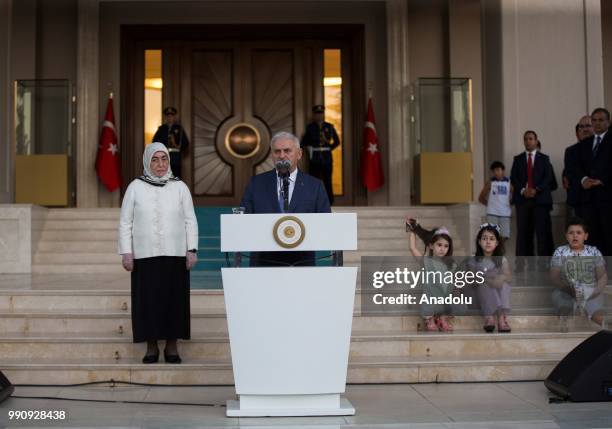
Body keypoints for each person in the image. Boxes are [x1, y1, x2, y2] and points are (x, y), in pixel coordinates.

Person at [118, 142, 198, 364]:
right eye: (155, 159)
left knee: (174, 300)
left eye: (164, 159)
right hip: (144, 255)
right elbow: (125, 222)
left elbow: (190, 220)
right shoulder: (135, 187)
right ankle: (151, 346)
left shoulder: (180, 187)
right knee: (148, 301)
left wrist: (191, 249)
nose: (160, 164)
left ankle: (172, 346)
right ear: (147, 161)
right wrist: (126, 252)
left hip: (175, 253)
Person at [241, 131, 330, 266]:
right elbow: (243, 219)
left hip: (301, 263)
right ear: (272, 155)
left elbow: (325, 222)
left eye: (287, 151)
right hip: (263, 262)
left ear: (299, 154)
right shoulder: (256, 184)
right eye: (277, 152)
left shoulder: (315, 186)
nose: (282, 156)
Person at [550, 217, 607, 330]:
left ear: (585, 236)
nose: (575, 236)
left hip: (590, 290)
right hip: (566, 290)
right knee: (563, 304)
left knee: (598, 314)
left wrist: (594, 292)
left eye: (579, 233)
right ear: (566, 236)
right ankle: (566, 320)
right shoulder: (560, 251)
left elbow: (602, 277)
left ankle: (603, 328)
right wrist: (567, 289)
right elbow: (554, 277)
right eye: (571, 233)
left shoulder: (593, 251)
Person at [510, 130, 557, 269]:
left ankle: (543, 265)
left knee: (541, 233)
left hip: (540, 201)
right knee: (523, 233)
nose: (528, 141)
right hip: (523, 201)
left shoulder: (544, 158)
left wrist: (536, 190)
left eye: (531, 139)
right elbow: (514, 177)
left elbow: (548, 178)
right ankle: (522, 265)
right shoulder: (517, 159)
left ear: (536, 141)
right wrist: (523, 191)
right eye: (525, 139)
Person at [407, 219, 465, 332]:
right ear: (431, 246)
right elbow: (412, 248)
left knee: (459, 303)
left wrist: (457, 290)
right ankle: (430, 319)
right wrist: (412, 230)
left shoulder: (451, 264)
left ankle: (442, 318)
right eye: (439, 245)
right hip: (431, 299)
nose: (442, 249)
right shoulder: (427, 262)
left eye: (446, 246)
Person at [575, 108, 612, 255]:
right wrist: (583, 179)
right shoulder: (585, 143)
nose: (597, 123)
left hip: (608, 199)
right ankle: (594, 273)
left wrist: (602, 180)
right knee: (591, 240)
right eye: (594, 120)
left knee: (609, 238)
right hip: (588, 201)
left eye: (601, 120)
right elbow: (576, 167)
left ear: (608, 122)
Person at [465, 223, 512, 333]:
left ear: (497, 243)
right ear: (479, 242)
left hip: (497, 289)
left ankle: (501, 318)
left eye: (492, 239)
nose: (488, 242)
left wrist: (501, 278)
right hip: (480, 293)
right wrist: (488, 280)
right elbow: (472, 279)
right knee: (485, 285)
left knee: (504, 284)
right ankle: (489, 317)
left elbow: (508, 277)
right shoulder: (474, 259)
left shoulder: (501, 259)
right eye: (484, 238)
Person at [300, 105, 341, 205]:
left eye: (321, 113)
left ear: (323, 114)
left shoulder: (329, 127)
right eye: (317, 114)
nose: (319, 116)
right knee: (314, 182)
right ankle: (314, 202)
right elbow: (303, 143)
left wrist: (328, 149)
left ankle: (329, 202)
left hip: (327, 158)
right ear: (314, 115)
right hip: (315, 158)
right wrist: (309, 147)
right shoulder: (310, 127)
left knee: (327, 181)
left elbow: (337, 141)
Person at [563, 116, 593, 218]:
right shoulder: (570, 151)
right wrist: (584, 180)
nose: (584, 129)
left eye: (588, 126)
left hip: (602, 201)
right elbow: (569, 173)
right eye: (581, 126)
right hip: (580, 202)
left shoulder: (605, 147)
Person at [152, 106, 190, 179]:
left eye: (171, 116)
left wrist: (176, 144)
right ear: (166, 117)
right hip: (163, 157)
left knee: (175, 178)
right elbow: (154, 142)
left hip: (175, 158)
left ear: (174, 117)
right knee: (164, 177)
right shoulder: (161, 129)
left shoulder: (179, 129)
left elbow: (186, 143)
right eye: (168, 116)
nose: (170, 118)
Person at [478, 161, 512, 241]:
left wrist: (508, 203)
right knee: (492, 236)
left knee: (504, 236)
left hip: (505, 214)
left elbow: (515, 196)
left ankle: (500, 252)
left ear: (502, 171)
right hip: (492, 214)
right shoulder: (490, 183)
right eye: (494, 171)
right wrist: (490, 205)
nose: (496, 173)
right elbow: (481, 197)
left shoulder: (509, 183)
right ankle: (494, 253)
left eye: (498, 170)